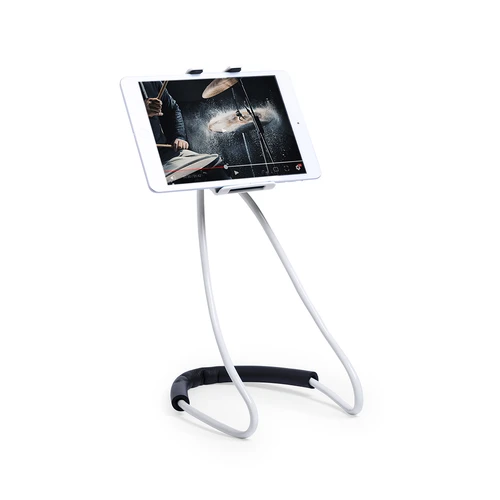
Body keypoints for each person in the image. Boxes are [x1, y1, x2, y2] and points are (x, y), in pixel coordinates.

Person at [140, 81, 229, 184]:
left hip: (165, 154)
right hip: (138, 163)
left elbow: (172, 109)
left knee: (216, 167)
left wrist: (179, 137)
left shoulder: (151, 82)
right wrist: (139, 109)